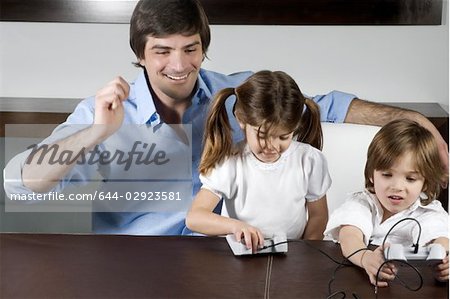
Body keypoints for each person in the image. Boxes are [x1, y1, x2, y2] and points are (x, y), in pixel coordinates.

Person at [3, 0, 448, 235]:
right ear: (140, 53)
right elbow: (21, 186)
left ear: (204, 46)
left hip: (228, 255)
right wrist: (97, 132)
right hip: (137, 261)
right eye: (162, 51)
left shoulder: (236, 94)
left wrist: (410, 117)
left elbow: (320, 103)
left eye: (191, 48)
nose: (179, 65)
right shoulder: (104, 113)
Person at [186, 70, 330, 251]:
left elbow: (318, 216)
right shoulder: (231, 162)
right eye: (262, 136)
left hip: (291, 255)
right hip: (238, 256)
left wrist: (306, 251)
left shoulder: (309, 160)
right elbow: (195, 217)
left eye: (283, 137)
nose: (272, 147)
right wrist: (236, 226)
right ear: (241, 119)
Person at [324, 119, 449, 287]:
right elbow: (349, 235)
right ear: (371, 174)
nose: (397, 187)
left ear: (425, 183)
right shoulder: (362, 202)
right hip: (354, 282)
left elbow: (441, 239)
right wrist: (365, 258)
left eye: (410, 179)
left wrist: (443, 262)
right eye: (387, 175)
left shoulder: (428, 212)